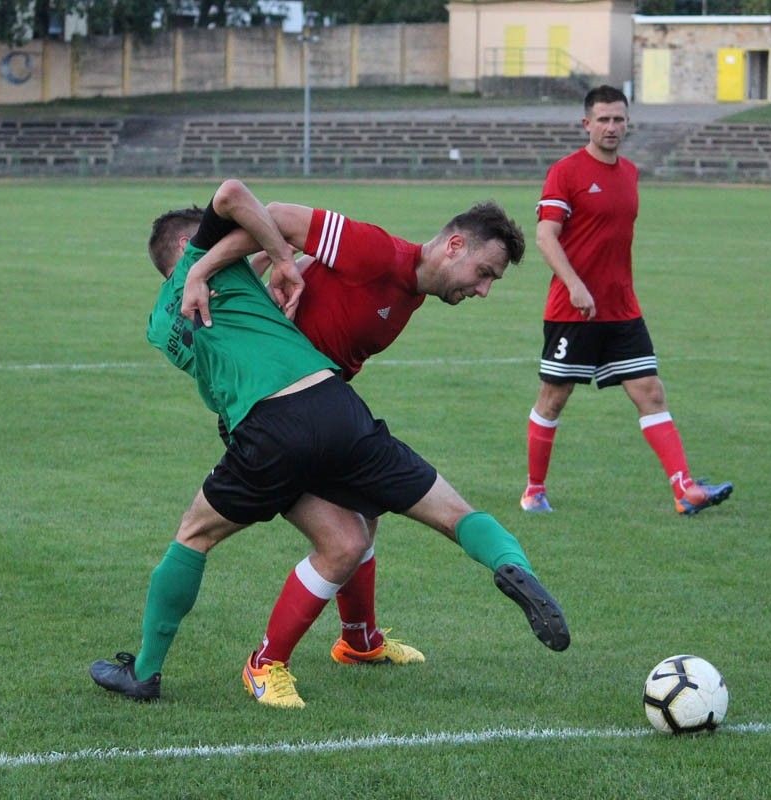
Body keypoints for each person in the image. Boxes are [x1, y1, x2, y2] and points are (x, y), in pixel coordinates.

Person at [90, 180, 568, 709]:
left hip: (266, 426)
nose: (483, 290)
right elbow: (236, 198)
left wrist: (258, 266)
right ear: (189, 247)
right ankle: (511, 561)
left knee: (199, 534)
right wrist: (262, 260)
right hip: (333, 410)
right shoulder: (351, 253)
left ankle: (151, 672)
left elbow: (240, 289)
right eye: (485, 275)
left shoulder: (161, 325)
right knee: (421, 519)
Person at [174, 193, 528, 671]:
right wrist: (210, 270)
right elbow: (276, 216)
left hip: (318, 416)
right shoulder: (377, 252)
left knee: (367, 509)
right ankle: (265, 664)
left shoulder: (410, 295)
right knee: (342, 543)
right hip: (272, 417)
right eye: (484, 273)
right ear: (455, 245)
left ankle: (360, 641)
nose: (484, 290)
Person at [520, 85, 732, 516]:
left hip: (621, 309)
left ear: (628, 122)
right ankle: (534, 491)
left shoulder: (630, 173)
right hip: (572, 310)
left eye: (619, 119)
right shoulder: (566, 172)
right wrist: (575, 284)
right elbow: (545, 235)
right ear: (586, 124)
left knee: (651, 392)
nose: (612, 127)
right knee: (553, 398)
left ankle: (684, 489)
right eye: (603, 119)